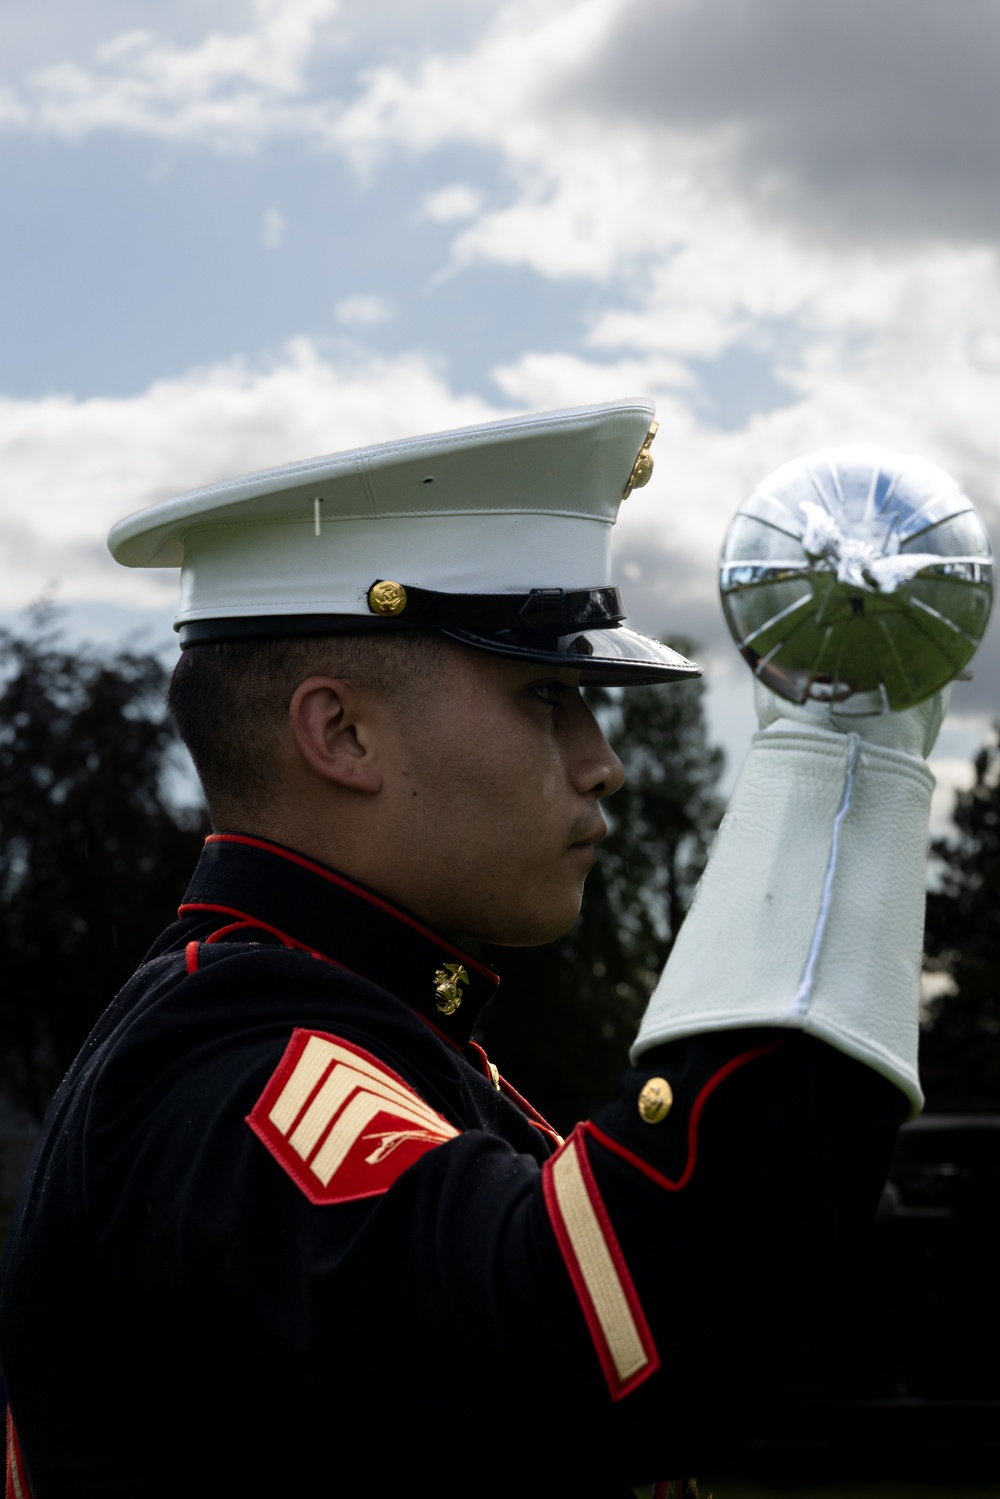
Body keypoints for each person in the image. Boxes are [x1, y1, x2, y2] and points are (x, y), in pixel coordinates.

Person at [0, 402, 942, 1498]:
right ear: (341, 732)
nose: (601, 763)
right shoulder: (238, 1064)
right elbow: (613, 1341)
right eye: (548, 695)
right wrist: (840, 775)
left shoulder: (352, 1031)